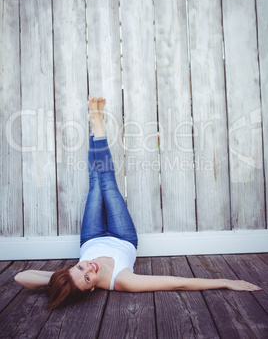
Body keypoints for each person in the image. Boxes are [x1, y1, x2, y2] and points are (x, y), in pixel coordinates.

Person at [14, 97, 262, 309]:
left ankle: (94, 127)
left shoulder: (72, 275)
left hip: (91, 237)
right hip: (123, 237)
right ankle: (97, 124)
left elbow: (20, 277)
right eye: (88, 279)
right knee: (108, 183)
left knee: (95, 182)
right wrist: (227, 282)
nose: (90, 268)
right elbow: (177, 282)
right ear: (91, 290)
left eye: (80, 269)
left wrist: (60, 279)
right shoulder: (122, 281)